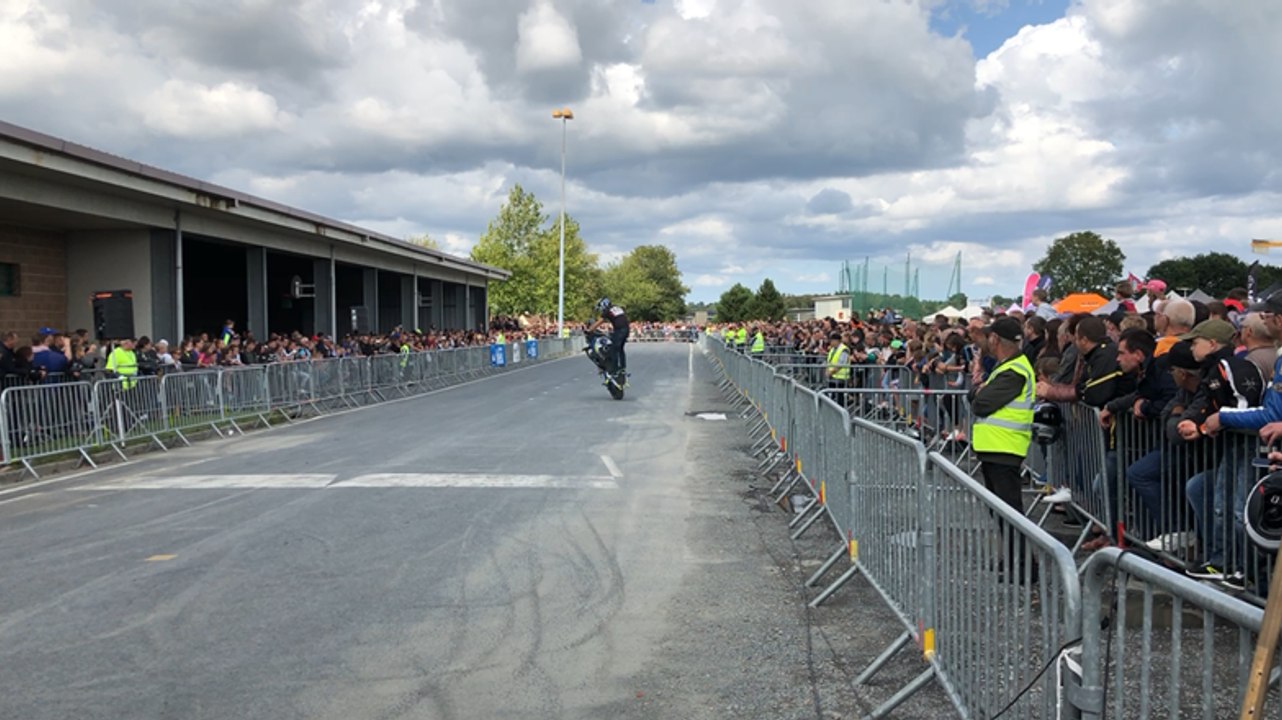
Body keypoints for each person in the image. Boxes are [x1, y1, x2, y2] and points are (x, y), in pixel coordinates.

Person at [969, 316, 1038, 583]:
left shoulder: (1015, 370)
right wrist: (979, 391)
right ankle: (1013, 559)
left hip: (1005, 447)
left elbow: (981, 402)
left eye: (988, 337)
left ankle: (1024, 567)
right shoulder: (1006, 366)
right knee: (1001, 510)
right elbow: (979, 395)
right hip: (995, 446)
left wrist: (978, 391)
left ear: (995, 339)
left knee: (1010, 510)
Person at [588, 297, 630, 379]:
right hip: (626, 329)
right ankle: (622, 368)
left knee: (614, 349)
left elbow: (599, 322)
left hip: (620, 330)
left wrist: (590, 330)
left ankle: (614, 370)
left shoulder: (607, 311)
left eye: (601, 307)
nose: (601, 310)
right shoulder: (617, 307)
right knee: (620, 349)